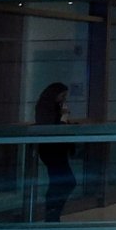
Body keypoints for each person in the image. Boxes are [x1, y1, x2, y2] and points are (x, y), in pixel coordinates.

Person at [35, 83, 75, 222]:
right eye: (62, 95)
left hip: (57, 150)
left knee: (61, 182)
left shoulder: (54, 107)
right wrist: (64, 119)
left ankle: (53, 214)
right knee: (64, 182)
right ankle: (52, 214)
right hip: (51, 150)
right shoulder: (45, 109)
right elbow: (53, 129)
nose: (64, 99)